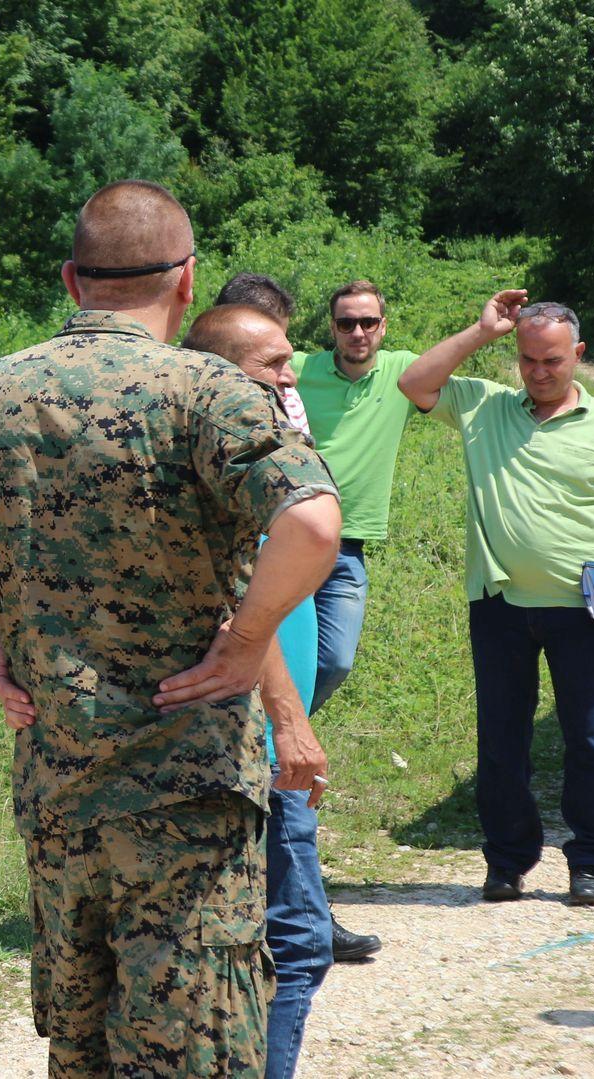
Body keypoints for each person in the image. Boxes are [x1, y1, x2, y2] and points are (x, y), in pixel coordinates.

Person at [0, 180, 342, 1075]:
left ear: (72, 279)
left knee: (84, 1045)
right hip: (188, 795)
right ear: (188, 282)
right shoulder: (207, 391)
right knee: (192, 1050)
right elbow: (312, 524)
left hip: (61, 796)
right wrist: (250, 636)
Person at [399, 291, 594, 907]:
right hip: (499, 605)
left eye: (552, 361)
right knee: (500, 739)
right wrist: (482, 330)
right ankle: (508, 862)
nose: (539, 373)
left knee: (593, 737)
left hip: (585, 607)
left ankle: (591, 863)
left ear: (579, 354)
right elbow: (415, 381)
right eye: (526, 360)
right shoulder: (485, 407)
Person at [182, 304, 335, 1079]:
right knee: (297, 943)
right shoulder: (228, 460)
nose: (289, 376)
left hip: (262, 744)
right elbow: (241, 603)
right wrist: (290, 724)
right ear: (220, 371)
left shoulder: (245, 447)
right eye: (272, 364)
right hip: (258, 749)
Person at [215, 273, 384, 964]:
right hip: (260, 593)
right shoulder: (223, 419)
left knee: (287, 754)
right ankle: (300, 922)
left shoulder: (278, 402)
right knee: (279, 756)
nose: (292, 372)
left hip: (294, 587)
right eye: (275, 358)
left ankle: (299, 911)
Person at [291, 280, 420, 712]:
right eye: (347, 323)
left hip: (346, 547)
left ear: (383, 327)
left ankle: (282, 737)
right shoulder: (297, 368)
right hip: (288, 537)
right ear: (332, 328)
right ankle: (275, 756)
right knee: (280, 656)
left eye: (368, 322)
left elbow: (450, 368)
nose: (357, 332)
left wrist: (484, 329)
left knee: (335, 661)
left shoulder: (403, 372)